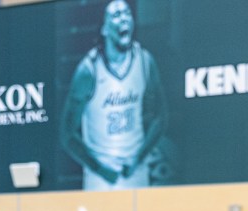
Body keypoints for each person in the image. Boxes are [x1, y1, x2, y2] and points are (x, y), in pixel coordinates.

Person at [60, 0, 168, 191]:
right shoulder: (88, 70)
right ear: (104, 28)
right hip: (100, 178)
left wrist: (138, 158)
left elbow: (160, 117)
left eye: (127, 13)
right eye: (116, 15)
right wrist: (100, 168)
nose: (124, 19)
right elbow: (68, 135)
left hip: (136, 172)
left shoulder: (144, 61)